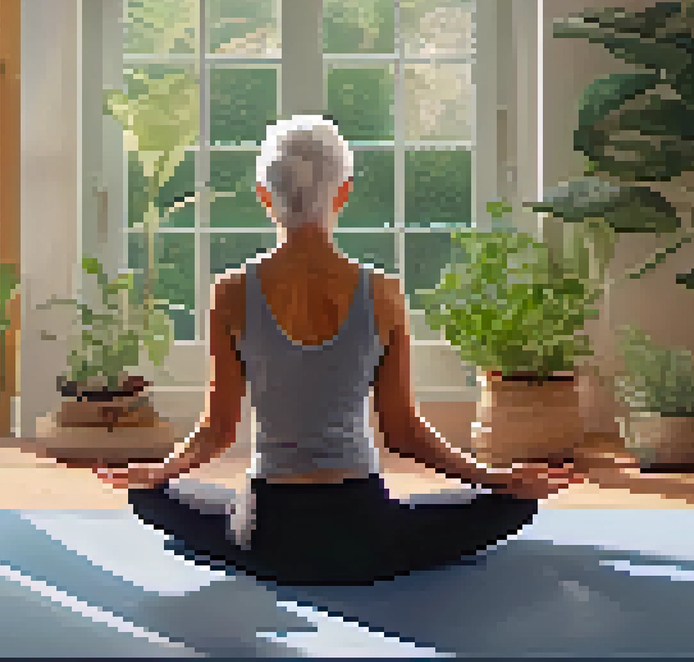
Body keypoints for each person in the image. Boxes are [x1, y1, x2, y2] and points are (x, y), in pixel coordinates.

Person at [93, 115, 584, 586]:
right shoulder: (385, 293)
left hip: (268, 538)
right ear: (343, 192)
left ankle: (212, 520)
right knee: (517, 504)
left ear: (265, 196)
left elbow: (216, 433)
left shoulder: (231, 292)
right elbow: (403, 434)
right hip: (364, 536)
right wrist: (497, 479)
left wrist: (158, 472)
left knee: (149, 498)